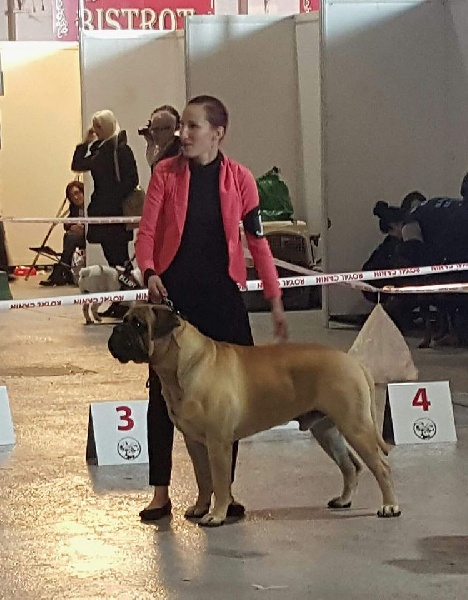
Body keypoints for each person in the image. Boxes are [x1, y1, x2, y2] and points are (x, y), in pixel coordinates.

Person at [135, 95, 288, 522]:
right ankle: (160, 493)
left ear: (217, 133)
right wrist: (149, 272)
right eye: (181, 126)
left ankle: (222, 493)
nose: (182, 134)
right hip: (173, 298)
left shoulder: (241, 179)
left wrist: (274, 298)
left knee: (231, 397)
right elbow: (147, 233)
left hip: (222, 297)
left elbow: (258, 242)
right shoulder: (165, 174)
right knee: (162, 395)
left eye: (192, 126)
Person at [71, 110, 139, 317]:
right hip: (102, 211)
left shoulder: (121, 149)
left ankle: (128, 300)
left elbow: (132, 180)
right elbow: (77, 165)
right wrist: (85, 142)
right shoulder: (98, 150)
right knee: (113, 260)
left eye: (99, 126)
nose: (96, 131)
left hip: (115, 213)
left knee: (120, 260)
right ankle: (121, 301)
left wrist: (113, 198)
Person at [40, 181, 86, 287]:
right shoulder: (74, 208)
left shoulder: (91, 205)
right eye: (72, 196)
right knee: (69, 236)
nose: (76, 197)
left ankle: (62, 269)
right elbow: (67, 222)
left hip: (90, 235)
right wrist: (72, 226)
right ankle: (64, 268)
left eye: (77, 193)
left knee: (69, 237)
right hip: (78, 236)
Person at [140, 105, 182, 172]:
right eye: (155, 129)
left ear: (176, 128)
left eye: (166, 128)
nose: (160, 133)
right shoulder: (157, 149)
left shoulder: (180, 152)